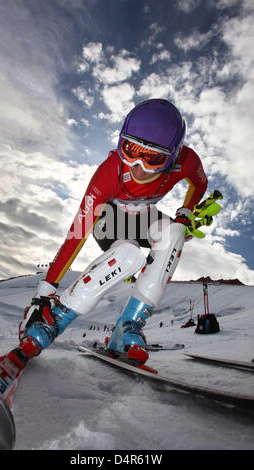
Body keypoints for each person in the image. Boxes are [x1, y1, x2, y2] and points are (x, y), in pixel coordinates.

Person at [15, 98, 208, 367]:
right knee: (128, 255)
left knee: (174, 234)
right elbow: (78, 231)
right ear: (121, 141)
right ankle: (55, 321)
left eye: (153, 159)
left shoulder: (186, 161)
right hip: (111, 219)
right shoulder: (108, 173)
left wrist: (185, 212)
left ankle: (127, 327)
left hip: (144, 216)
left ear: (174, 156)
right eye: (130, 150)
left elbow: (200, 184)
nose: (139, 167)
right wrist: (45, 291)